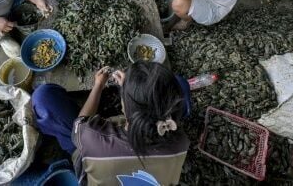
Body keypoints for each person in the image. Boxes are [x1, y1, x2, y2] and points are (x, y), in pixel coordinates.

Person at [32, 62, 191, 186]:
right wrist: (131, 92)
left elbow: (79, 124)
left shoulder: (94, 138)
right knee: (180, 84)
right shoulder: (181, 142)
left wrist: (98, 86)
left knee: (43, 97)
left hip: (92, 153)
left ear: (124, 107)